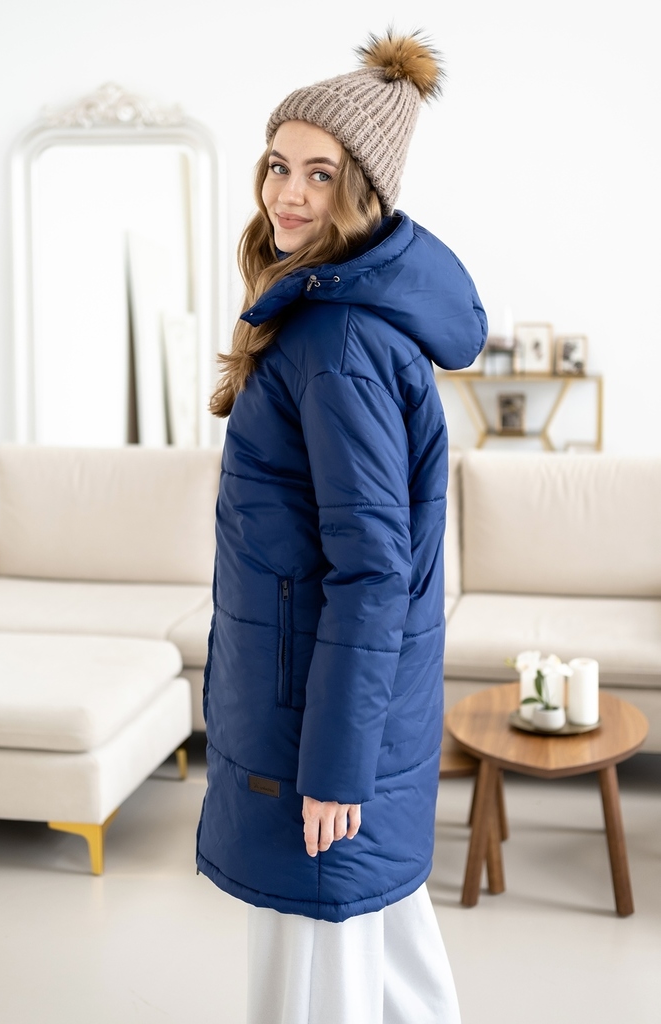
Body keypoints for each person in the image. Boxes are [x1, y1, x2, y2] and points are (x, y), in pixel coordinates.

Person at [196, 29, 487, 1024]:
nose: (287, 193)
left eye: (319, 174)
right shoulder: (325, 319)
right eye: (279, 165)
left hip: (311, 735)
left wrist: (331, 770)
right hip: (325, 713)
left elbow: (370, 572)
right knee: (386, 966)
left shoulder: (336, 342)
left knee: (313, 985)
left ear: (361, 191)